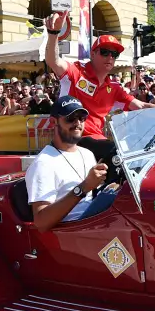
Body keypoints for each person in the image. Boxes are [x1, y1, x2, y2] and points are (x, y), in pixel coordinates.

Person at [43, 11, 155, 164]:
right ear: (93, 54)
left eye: (114, 54)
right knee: (116, 152)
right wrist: (53, 34)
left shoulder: (114, 87)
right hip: (74, 138)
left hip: (97, 141)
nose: (110, 57)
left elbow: (141, 105)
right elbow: (54, 61)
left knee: (136, 155)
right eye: (104, 52)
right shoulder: (77, 72)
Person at [26, 96, 109, 233]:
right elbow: (41, 222)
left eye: (82, 118)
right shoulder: (43, 164)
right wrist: (83, 188)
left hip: (94, 224)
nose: (77, 123)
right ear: (54, 122)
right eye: (70, 118)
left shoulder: (87, 154)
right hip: (73, 233)